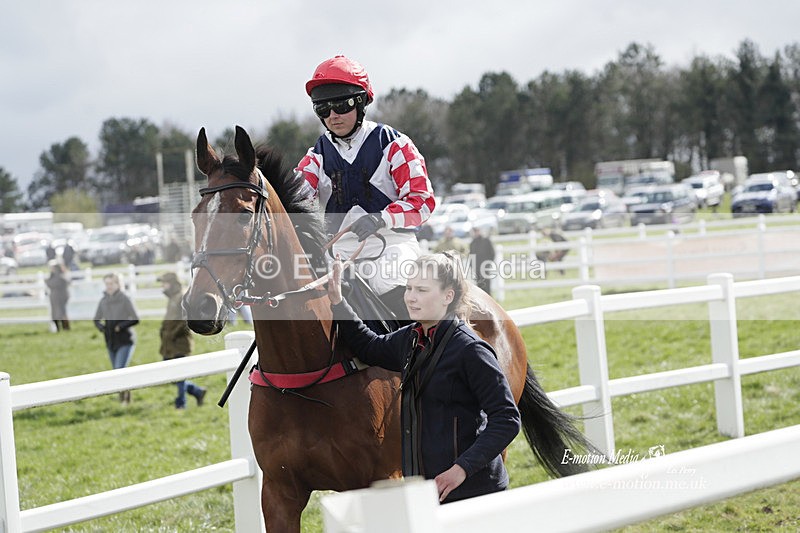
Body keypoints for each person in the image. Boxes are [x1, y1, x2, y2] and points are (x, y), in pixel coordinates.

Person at [328, 252, 520, 503]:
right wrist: (338, 302)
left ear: (447, 296)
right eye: (408, 288)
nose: (410, 297)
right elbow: (370, 347)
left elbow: (506, 419)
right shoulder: (410, 338)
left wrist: (461, 469)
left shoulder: (471, 350)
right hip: (428, 492)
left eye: (421, 289)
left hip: (472, 491)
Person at [295, 55, 436, 321]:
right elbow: (296, 199)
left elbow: (422, 201)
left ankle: (418, 356)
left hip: (392, 244)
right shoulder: (316, 156)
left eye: (341, 105)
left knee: (388, 284)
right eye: (323, 109)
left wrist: (381, 218)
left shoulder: (395, 144)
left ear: (361, 103)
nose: (333, 116)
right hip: (338, 252)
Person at [157, 272, 206, 409]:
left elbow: (186, 321)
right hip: (169, 343)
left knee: (179, 375)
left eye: (164, 283)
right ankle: (197, 391)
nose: (163, 286)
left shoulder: (182, 297)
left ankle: (181, 403)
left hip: (180, 342)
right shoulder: (173, 297)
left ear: (172, 283)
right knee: (171, 376)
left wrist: (172, 334)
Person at [93, 273, 139, 404]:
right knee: (117, 372)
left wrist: (121, 326)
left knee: (119, 370)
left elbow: (135, 318)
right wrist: (103, 329)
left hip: (125, 341)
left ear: (118, 284)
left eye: (111, 283)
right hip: (111, 341)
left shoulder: (125, 299)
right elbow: (96, 319)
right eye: (106, 284)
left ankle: (123, 400)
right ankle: (126, 396)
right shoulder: (103, 301)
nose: (109, 286)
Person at [468, 227, 495, 295]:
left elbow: (492, 253)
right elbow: (471, 256)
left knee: (487, 286)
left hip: (485, 268)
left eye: (477, 231)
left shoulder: (486, 241)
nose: (476, 232)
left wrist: (488, 264)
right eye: (475, 231)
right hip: (477, 269)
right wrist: (473, 266)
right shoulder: (472, 243)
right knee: (479, 288)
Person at [44, 260, 70, 331]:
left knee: (61, 313)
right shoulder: (54, 276)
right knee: (56, 313)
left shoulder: (60, 276)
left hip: (60, 297)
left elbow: (53, 284)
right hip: (55, 297)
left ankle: (65, 328)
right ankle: (59, 328)